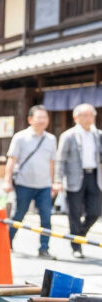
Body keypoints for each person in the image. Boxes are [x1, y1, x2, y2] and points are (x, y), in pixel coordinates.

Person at [4, 105, 58, 259]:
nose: (42, 121)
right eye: (39, 117)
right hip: (24, 183)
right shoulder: (20, 137)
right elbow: (11, 160)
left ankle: (44, 248)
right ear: (30, 119)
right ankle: (8, 242)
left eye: (45, 117)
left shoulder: (51, 139)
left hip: (44, 185)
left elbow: (52, 163)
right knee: (19, 215)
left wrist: (53, 182)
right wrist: (7, 181)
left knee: (46, 218)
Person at [56, 103, 102, 258]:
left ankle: (79, 235)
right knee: (74, 213)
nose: (89, 118)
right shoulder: (69, 135)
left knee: (95, 211)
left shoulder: (98, 135)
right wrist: (58, 180)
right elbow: (60, 160)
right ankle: (76, 246)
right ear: (76, 118)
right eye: (85, 115)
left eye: (91, 115)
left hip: (94, 176)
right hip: (74, 177)